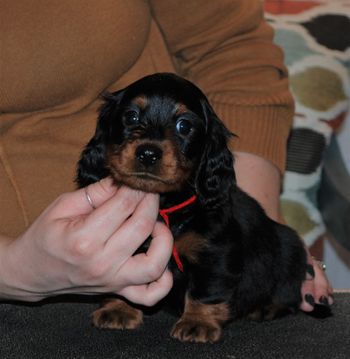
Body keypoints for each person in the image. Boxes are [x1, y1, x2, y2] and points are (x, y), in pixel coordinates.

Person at [0, 0, 332, 309]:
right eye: (132, 119)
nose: (150, 148)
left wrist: (252, 237)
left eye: (183, 126)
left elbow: (230, 46)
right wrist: (13, 270)